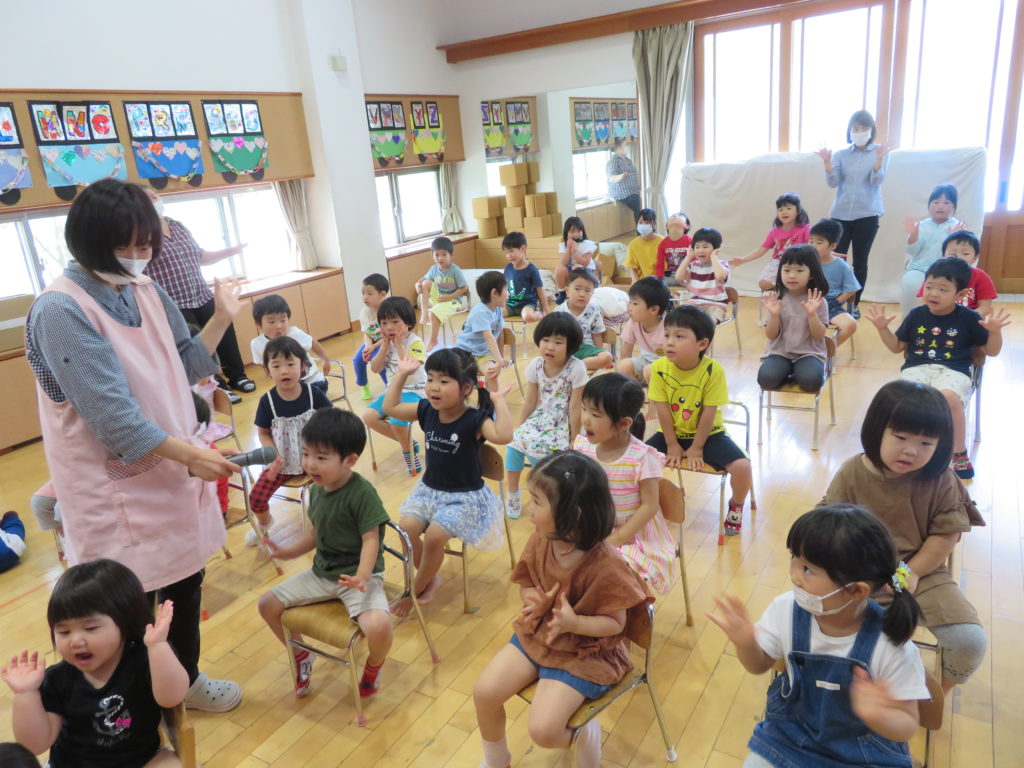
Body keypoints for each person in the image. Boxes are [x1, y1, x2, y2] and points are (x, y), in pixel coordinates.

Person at [25, 179, 241, 711]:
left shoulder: (143, 288)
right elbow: (117, 423)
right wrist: (194, 456)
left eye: (145, 246)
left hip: (170, 472)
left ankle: (184, 682)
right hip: (116, 490)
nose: (137, 257)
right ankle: (128, 706)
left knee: (184, 585)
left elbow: (186, 364)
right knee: (123, 607)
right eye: (124, 246)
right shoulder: (61, 310)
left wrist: (221, 318)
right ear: (87, 242)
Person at [709, 505, 929, 768]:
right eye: (794, 558)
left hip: (863, 754)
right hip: (790, 740)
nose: (794, 576)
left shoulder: (891, 644)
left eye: (807, 569)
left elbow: (907, 724)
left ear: (856, 591)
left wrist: (878, 715)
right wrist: (746, 644)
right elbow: (758, 665)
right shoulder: (785, 609)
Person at [472, 451, 653, 768]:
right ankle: (497, 761)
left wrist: (575, 623)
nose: (529, 508)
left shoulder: (608, 565)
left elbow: (616, 624)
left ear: (573, 514)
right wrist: (533, 599)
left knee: (543, 731)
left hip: (586, 652)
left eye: (537, 501)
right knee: (484, 693)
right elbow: (526, 584)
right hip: (541, 635)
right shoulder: (541, 539)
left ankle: (585, 734)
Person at [821, 380, 988, 693]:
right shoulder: (852, 472)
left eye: (926, 443)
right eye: (900, 437)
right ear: (877, 430)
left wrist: (910, 572)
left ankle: (931, 699)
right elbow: (828, 526)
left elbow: (946, 535)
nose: (911, 450)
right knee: (842, 638)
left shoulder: (942, 479)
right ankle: (850, 691)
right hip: (858, 574)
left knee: (969, 641)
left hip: (922, 572)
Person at [2, 559, 191, 767]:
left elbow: (172, 697)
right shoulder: (58, 680)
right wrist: (25, 694)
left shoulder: (144, 658)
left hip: (142, 760)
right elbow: (35, 745)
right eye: (64, 631)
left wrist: (158, 646)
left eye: (90, 628)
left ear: (126, 622)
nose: (75, 641)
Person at [258, 409, 393, 699]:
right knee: (267, 605)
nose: (309, 464)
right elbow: (315, 535)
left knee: (379, 626)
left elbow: (371, 539)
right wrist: (287, 552)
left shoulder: (362, 493)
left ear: (350, 461)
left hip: (359, 577)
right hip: (323, 574)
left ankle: (374, 665)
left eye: (321, 457)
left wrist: (363, 576)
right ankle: (301, 655)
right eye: (306, 453)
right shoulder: (316, 490)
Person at [384, 349, 513, 617]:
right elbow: (390, 408)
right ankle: (430, 578)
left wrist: (498, 400)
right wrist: (401, 374)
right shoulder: (427, 410)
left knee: (434, 537)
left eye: (444, 381)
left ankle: (415, 590)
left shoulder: (475, 419)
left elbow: (503, 436)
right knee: (405, 529)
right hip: (430, 491)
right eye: (430, 379)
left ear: (466, 388)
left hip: (463, 497)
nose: (434, 387)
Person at [865, 258, 1010, 479]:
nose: (933, 293)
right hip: (917, 368)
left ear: (960, 295)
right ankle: (896, 449)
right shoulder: (916, 314)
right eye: (929, 286)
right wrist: (883, 329)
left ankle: (958, 453)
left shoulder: (970, 318)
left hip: (954, 371)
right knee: (902, 398)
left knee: (948, 398)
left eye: (943, 289)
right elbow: (896, 347)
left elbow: (991, 351)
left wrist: (995, 333)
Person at [646, 306, 753, 535]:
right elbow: (662, 410)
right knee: (637, 460)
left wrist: (696, 447)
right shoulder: (659, 368)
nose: (670, 342)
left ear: (702, 344)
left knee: (742, 466)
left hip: (709, 435)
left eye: (679, 336)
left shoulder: (714, 371)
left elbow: (708, 413)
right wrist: (672, 444)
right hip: (671, 433)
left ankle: (736, 505)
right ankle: (651, 504)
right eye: (667, 335)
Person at [140, 187, 252, 395]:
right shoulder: (140, 235)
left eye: (155, 194)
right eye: (148, 197)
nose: (154, 199)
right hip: (174, 303)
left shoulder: (176, 225)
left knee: (225, 331)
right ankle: (216, 386)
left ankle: (238, 376)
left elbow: (199, 256)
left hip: (201, 294)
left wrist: (230, 251)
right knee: (198, 343)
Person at [574, 375, 675, 594]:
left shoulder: (640, 457)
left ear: (624, 423)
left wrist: (618, 538)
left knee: (612, 570)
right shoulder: (583, 448)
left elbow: (649, 506)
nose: (585, 419)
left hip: (633, 535)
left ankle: (626, 609)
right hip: (594, 526)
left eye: (595, 414)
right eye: (584, 409)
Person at [247, 336, 333, 545]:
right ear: (268, 370)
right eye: (276, 366)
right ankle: (264, 523)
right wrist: (273, 456)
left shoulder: (313, 393)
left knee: (337, 489)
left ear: (303, 366)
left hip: (315, 459)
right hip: (283, 463)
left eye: (290, 364)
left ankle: (331, 521)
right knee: (256, 498)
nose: (284, 371)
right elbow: (263, 433)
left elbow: (331, 420)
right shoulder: (267, 401)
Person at [504, 313, 587, 519]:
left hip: (563, 423)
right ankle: (513, 493)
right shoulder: (536, 365)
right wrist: (521, 427)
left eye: (558, 342)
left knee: (538, 450)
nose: (550, 347)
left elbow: (575, 407)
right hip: (541, 418)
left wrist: (575, 439)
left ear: (570, 345)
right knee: (514, 444)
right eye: (545, 340)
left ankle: (542, 498)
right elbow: (530, 400)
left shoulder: (576, 368)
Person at [816, 109, 891, 313]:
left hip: (867, 214)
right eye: (856, 128)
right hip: (840, 215)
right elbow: (833, 182)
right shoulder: (841, 155)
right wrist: (827, 163)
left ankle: (853, 305)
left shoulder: (880, 152)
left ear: (871, 130)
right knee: (834, 259)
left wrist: (879, 159)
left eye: (864, 128)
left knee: (860, 262)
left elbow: (876, 181)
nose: (859, 132)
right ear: (850, 130)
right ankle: (830, 302)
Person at [363, 297, 427, 476]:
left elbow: (410, 369)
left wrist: (399, 346)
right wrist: (384, 347)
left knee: (397, 420)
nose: (389, 327)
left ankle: (408, 454)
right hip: (393, 393)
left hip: (416, 392)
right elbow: (375, 368)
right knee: (368, 416)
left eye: (395, 322)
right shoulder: (387, 343)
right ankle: (408, 442)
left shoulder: (415, 342)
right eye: (384, 323)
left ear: (408, 322)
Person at [757, 245, 830, 392]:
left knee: (811, 382)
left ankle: (798, 371)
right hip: (780, 353)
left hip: (809, 353)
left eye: (799, 270)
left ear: (811, 274)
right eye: (786, 270)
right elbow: (771, 335)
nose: (791, 275)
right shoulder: (777, 298)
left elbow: (819, 335)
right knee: (766, 379)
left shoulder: (817, 300)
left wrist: (812, 314)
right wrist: (774, 315)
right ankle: (788, 371)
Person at [250, 294, 331, 395]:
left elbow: (312, 342)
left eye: (283, 320)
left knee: (301, 401)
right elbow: (263, 364)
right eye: (271, 322)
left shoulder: (294, 333)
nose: (279, 326)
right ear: (258, 324)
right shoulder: (257, 344)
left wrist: (326, 359)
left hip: (313, 381)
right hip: (287, 385)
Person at [901, 184, 963, 315]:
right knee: (910, 284)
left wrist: (955, 238)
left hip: (946, 272)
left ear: (953, 206)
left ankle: (938, 321)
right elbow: (912, 252)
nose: (940, 206)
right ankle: (909, 321)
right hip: (919, 269)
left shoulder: (957, 226)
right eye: (936, 202)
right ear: (929, 205)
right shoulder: (921, 226)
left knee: (945, 290)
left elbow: (959, 258)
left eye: (946, 203)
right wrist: (913, 234)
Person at [730, 193, 811, 291]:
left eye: (788, 208)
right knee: (763, 284)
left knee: (801, 282)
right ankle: (783, 289)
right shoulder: (774, 232)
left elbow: (813, 247)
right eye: (780, 209)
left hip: (799, 262)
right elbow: (760, 251)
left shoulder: (805, 229)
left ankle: (789, 289)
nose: (784, 212)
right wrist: (743, 259)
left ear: (798, 211)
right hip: (779, 262)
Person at [914, 230, 998, 317]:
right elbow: (922, 303)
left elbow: (985, 307)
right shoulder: (936, 274)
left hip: (970, 319)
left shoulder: (981, 277)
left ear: (975, 257)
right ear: (943, 256)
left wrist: (964, 319)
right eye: (952, 254)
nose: (959, 257)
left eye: (965, 253)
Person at [809, 218, 860, 347]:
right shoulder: (806, 261)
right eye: (811, 241)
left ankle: (824, 351)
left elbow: (852, 288)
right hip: (806, 302)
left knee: (850, 324)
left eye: (819, 242)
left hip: (829, 304)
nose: (813, 246)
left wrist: (837, 301)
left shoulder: (841, 265)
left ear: (832, 246)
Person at [554, 268, 613, 371]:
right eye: (577, 289)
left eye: (587, 290)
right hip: (565, 348)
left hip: (586, 349)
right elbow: (554, 337)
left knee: (607, 357)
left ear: (592, 293)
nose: (582, 294)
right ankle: (573, 366)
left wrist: (599, 353)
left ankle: (573, 367)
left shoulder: (594, 310)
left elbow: (596, 335)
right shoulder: (559, 311)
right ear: (567, 291)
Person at [614, 277, 670, 385]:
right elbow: (626, 352)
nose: (630, 308)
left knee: (650, 370)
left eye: (635, 304)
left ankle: (656, 393)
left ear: (653, 309)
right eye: (630, 302)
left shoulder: (668, 326)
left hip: (668, 366)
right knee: (624, 365)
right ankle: (635, 392)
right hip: (646, 363)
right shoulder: (634, 323)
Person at [455, 271, 508, 385]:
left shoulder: (497, 309)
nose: (508, 294)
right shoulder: (480, 312)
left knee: (492, 374)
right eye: (506, 290)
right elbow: (488, 336)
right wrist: (498, 360)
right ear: (494, 293)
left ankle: (493, 397)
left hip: (482, 354)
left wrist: (500, 358)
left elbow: (500, 334)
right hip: (464, 353)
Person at [416, 236, 468, 350]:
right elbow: (422, 279)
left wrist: (449, 297)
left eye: (444, 254)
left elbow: (464, 288)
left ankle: (433, 341)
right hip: (439, 298)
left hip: (453, 300)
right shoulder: (433, 268)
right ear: (432, 256)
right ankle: (424, 313)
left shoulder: (455, 270)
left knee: (433, 314)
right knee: (425, 283)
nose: (440, 258)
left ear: (451, 255)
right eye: (437, 255)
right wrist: (417, 285)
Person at [674, 226, 730, 323]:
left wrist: (713, 256)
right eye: (697, 247)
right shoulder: (693, 265)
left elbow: (720, 276)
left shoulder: (722, 264)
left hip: (716, 305)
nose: (700, 250)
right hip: (694, 304)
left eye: (705, 247)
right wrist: (688, 257)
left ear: (716, 248)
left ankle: (704, 333)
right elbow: (678, 277)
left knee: (708, 322)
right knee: (679, 319)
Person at [354, 273, 390, 400]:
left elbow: (388, 337)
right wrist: (368, 347)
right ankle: (364, 386)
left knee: (378, 361)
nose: (365, 297)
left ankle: (389, 386)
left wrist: (373, 347)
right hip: (372, 342)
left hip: (386, 342)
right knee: (358, 360)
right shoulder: (364, 312)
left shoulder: (388, 312)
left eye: (369, 293)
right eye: (363, 293)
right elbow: (367, 333)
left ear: (382, 294)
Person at [502, 231, 547, 322]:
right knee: (494, 315)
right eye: (506, 252)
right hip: (510, 305)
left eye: (511, 251)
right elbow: (504, 287)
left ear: (523, 249)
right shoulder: (508, 268)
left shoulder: (532, 269)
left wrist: (546, 310)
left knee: (528, 317)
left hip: (527, 305)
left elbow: (540, 291)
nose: (509, 255)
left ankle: (540, 314)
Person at [555, 217, 600, 295]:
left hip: (587, 271)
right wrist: (568, 248)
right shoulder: (564, 245)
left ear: (583, 231)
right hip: (572, 270)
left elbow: (585, 263)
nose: (576, 234)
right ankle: (563, 293)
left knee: (577, 267)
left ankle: (579, 293)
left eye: (579, 231)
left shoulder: (587, 244)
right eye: (572, 232)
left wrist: (575, 251)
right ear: (567, 233)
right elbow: (564, 263)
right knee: (559, 269)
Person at [606, 137, 642, 221]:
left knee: (642, 201)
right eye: (625, 145)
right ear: (619, 148)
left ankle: (642, 226)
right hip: (622, 193)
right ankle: (640, 228)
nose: (627, 147)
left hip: (633, 192)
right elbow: (611, 178)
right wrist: (621, 175)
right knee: (638, 205)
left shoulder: (628, 160)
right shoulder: (613, 161)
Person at [624, 208, 664, 282]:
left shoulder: (662, 242)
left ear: (654, 224)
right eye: (640, 222)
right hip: (641, 283)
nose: (643, 225)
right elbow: (633, 269)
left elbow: (665, 269)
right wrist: (636, 285)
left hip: (658, 282)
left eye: (647, 222)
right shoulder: (633, 244)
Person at [655, 212, 692, 287]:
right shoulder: (662, 244)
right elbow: (659, 264)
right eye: (673, 216)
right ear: (666, 227)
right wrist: (659, 279)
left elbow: (695, 261)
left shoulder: (691, 241)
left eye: (680, 216)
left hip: (688, 274)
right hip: (672, 275)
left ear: (687, 226)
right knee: (655, 283)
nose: (676, 216)